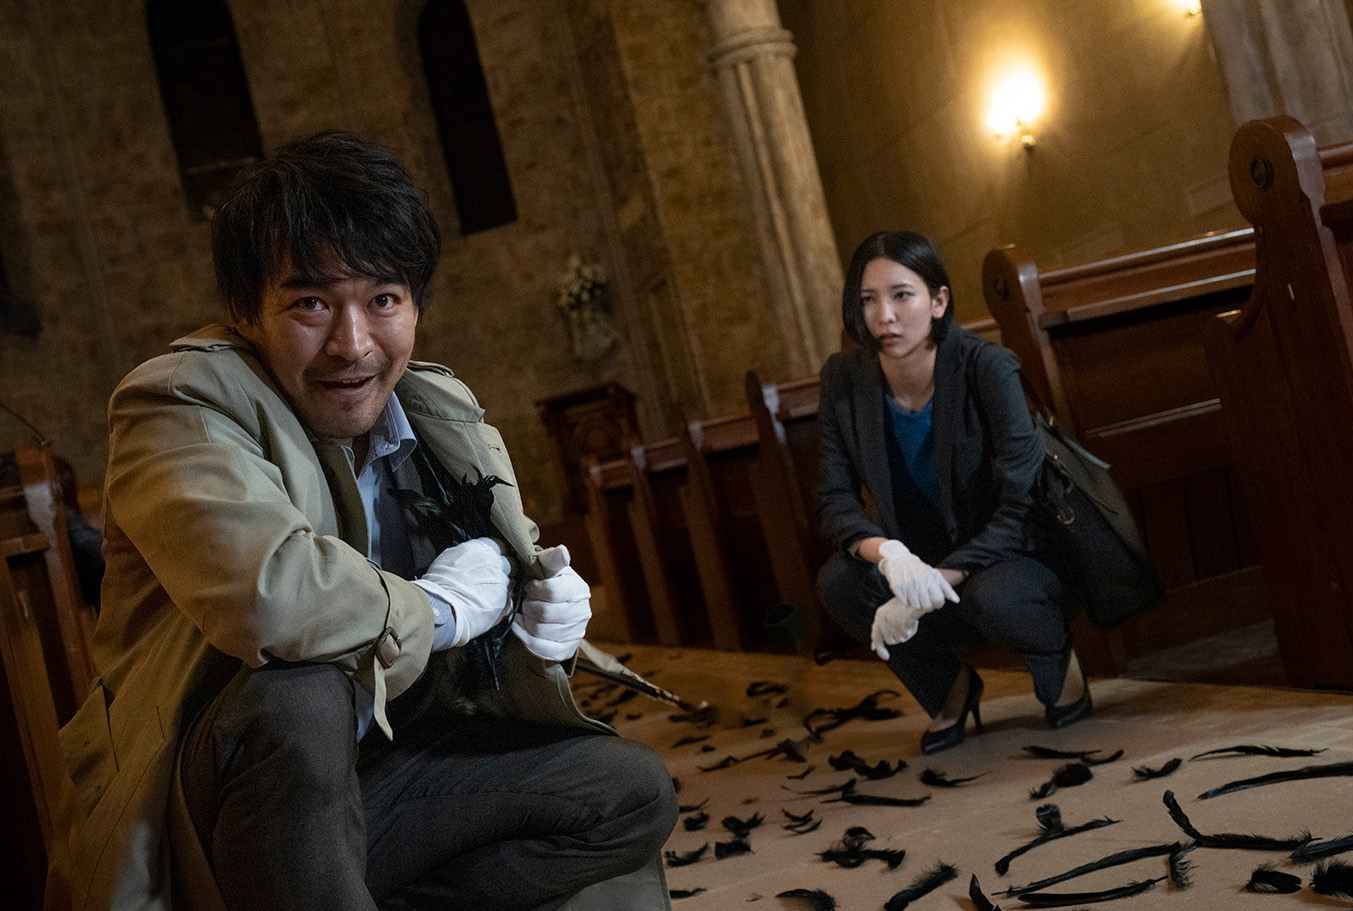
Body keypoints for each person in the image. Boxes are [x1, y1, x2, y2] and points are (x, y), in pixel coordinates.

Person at [47, 132, 677, 911]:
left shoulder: (437, 410)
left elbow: (453, 659)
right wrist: (443, 608)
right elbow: (275, 599)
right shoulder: (177, 404)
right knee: (301, 695)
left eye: (383, 299)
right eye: (311, 303)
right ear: (245, 310)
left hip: (371, 776)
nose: (352, 344)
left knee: (628, 791)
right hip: (214, 818)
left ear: (415, 305)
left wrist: (525, 623)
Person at [814, 230, 1090, 756]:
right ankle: (949, 687)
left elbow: (1023, 506)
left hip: (1006, 555)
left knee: (996, 595)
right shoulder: (843, 379)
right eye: (868, 300)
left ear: (938, 301)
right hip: (916, 556)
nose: (884, 316)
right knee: (841, 582)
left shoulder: (987, 367)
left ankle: (1058, 662)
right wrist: (890, 555)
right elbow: (834, 499)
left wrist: (940, 577)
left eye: (901, 295)